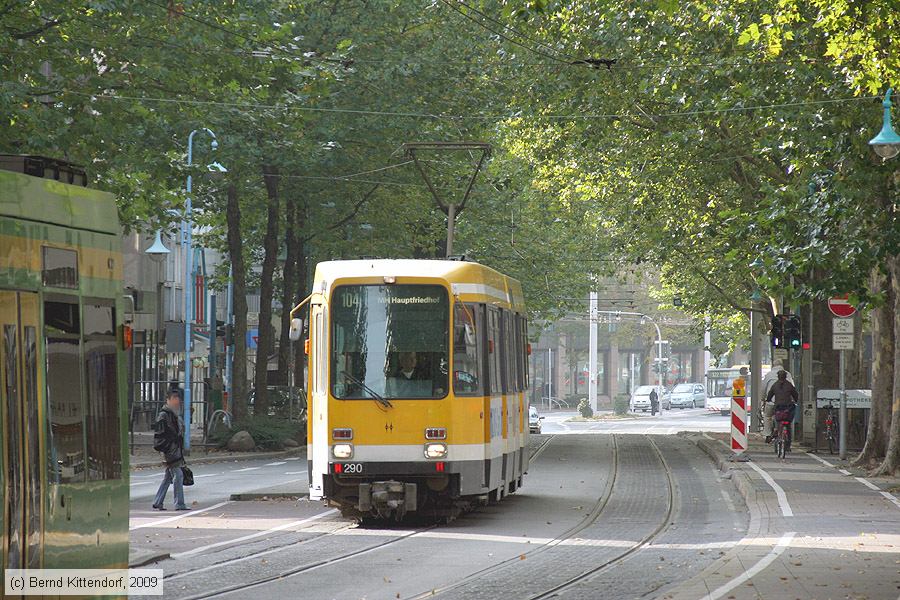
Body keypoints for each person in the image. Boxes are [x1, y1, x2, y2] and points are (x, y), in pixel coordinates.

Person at [152, 389, 188, 511]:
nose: (176, 402)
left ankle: (158, 501)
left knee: (168, 477)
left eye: (178, 399)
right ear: (168, 400)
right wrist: (167, 448)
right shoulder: (164, 415)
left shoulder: (175, 415)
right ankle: (179, 503)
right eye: (174, 399)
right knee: (178, 475)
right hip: (170, 451)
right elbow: (160, 436)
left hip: (174, 450)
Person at [766, 370, 799, 449]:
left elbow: (769, 396)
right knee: (788, 426)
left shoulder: (775, 385)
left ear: (778, 377)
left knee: (776, 421)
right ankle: (787, 446)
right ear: (786, 376)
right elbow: (795, 395)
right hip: (788, 409)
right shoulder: (789, 385)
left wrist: (768, 400)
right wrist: (795, 400)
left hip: (778, 408)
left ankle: (776, 431)